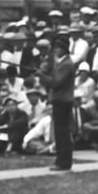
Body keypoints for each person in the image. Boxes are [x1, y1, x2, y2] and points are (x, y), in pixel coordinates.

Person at [42, 34, 77, 173]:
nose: (56, 50)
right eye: (55, 47)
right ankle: (61, 160)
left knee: (62, 132)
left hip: (63, 100)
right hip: (59, 100)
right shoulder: (60, 63)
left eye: (59, 47)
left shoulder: (67, 64)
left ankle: (64, 162)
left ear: (65, 49)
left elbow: (56, 82)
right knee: (59, 132)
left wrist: (41, 76)